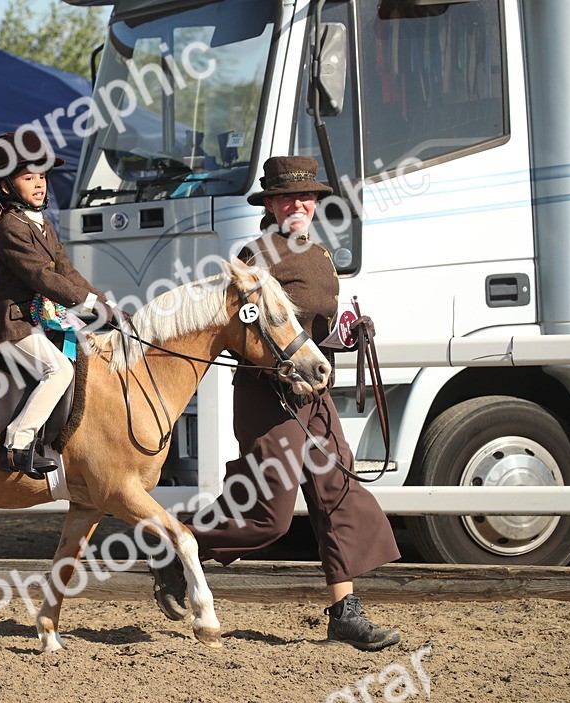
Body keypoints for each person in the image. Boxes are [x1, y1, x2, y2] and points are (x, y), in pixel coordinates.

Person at [150, 155, 402, 651]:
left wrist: (347, 335)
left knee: (339, 496)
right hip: (269, 397)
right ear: (269, 204)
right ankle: (177, 547)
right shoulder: (255, 257)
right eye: (287, 198)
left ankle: (345, 614)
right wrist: (283, 371)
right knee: (269, 516)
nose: (298, 205)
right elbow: (247, 331)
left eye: (305, 197)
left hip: (314, 396)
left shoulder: (320, 254)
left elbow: (313, 329)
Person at [0, 131, 127, 479]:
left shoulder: (42, 223)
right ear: (5, 186)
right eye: (28, 178)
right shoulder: (11, 228)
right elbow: (43, 278)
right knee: (58, 370)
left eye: (42, 177)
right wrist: (88, 304)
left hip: (38, 321)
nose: (39, 184)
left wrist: (108, 306)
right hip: (13, 324)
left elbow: (67, 273)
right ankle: (17, 445)